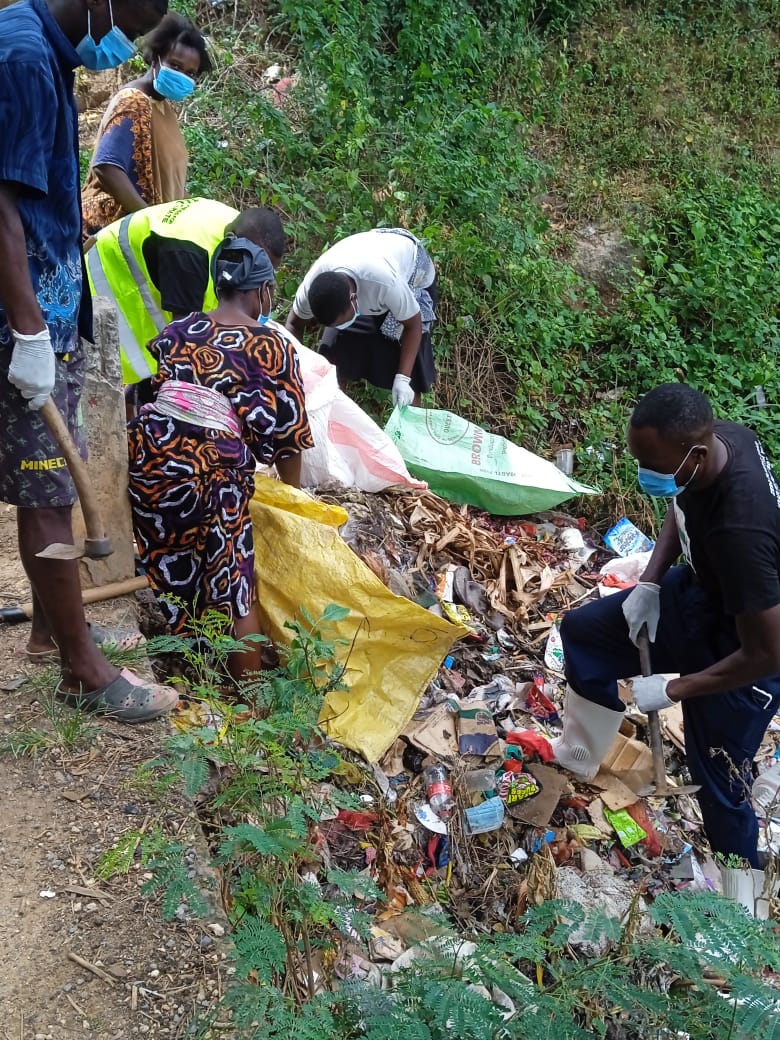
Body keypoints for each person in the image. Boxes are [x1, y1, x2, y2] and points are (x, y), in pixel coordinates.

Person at [0, 0, 178, 722]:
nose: (124, 43)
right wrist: (28, 329)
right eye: (128, 20)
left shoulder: (43, 50)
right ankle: (83, 670)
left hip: (44, 305)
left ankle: (52, 629)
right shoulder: (21, 59)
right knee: (48, 490)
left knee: (46, 480)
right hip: (21, 316)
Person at [553, 383, 780, 912]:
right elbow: (679, 509)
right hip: (702, 595)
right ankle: (580, 758)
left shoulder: (742, 531)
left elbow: (768, 653)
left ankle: (743, 915)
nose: (643, 474)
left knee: (720, 779)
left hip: (751, 645)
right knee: (585, 633)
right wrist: (651, 582)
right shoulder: (718, 444)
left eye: (651, 464)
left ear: (695, 455)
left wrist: (675, 687)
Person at [127, 238, 314, 683]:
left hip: (151, 462)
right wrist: (293, 499)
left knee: (174, 559)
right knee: (234, 583)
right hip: (213, 470)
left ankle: (185, 660)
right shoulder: (272, 346)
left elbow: (149, 394)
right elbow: (290, 439)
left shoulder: (178, 331)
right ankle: (246, 695)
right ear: (262, 290)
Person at [85, 198, 287, 386]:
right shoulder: (188, 251)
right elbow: (183, 350)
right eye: (257, 267)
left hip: (127, 331)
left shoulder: (242, 231)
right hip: (91, 308)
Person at [81, 13, 211, 239]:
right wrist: (151, 220)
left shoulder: (164, 110)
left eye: (190, 73)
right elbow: (107, 167)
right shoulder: (133, 100)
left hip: (141, 234)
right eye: (175, 65)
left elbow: (172, 183)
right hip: (110, 233)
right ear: (155, 58)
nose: (182, 76)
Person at [285, 228, 437, 408]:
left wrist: (403, 379)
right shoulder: (313, 288)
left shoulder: (384, 282)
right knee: (332, 357)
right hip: (361, 270)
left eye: (343, 322)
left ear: (354, 299)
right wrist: (291, 371)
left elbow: (413, 325)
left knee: (409, 371)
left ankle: (408, 426)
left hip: (411, 270)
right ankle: (333, 418)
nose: (342, 327)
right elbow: (293, 325)